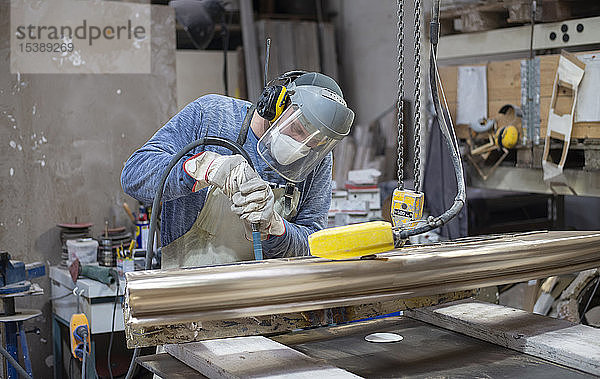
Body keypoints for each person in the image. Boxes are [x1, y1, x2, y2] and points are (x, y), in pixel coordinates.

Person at [121, 71, 354, 269]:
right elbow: (134, 175)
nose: (303, 146)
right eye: (298, 129)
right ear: (275, 105)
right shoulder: (211, 116)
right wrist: (204, 167)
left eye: (316, 142)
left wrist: (276, 227)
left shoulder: (317, 159)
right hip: (189, 292)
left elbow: (312, 241)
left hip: (262, 301)